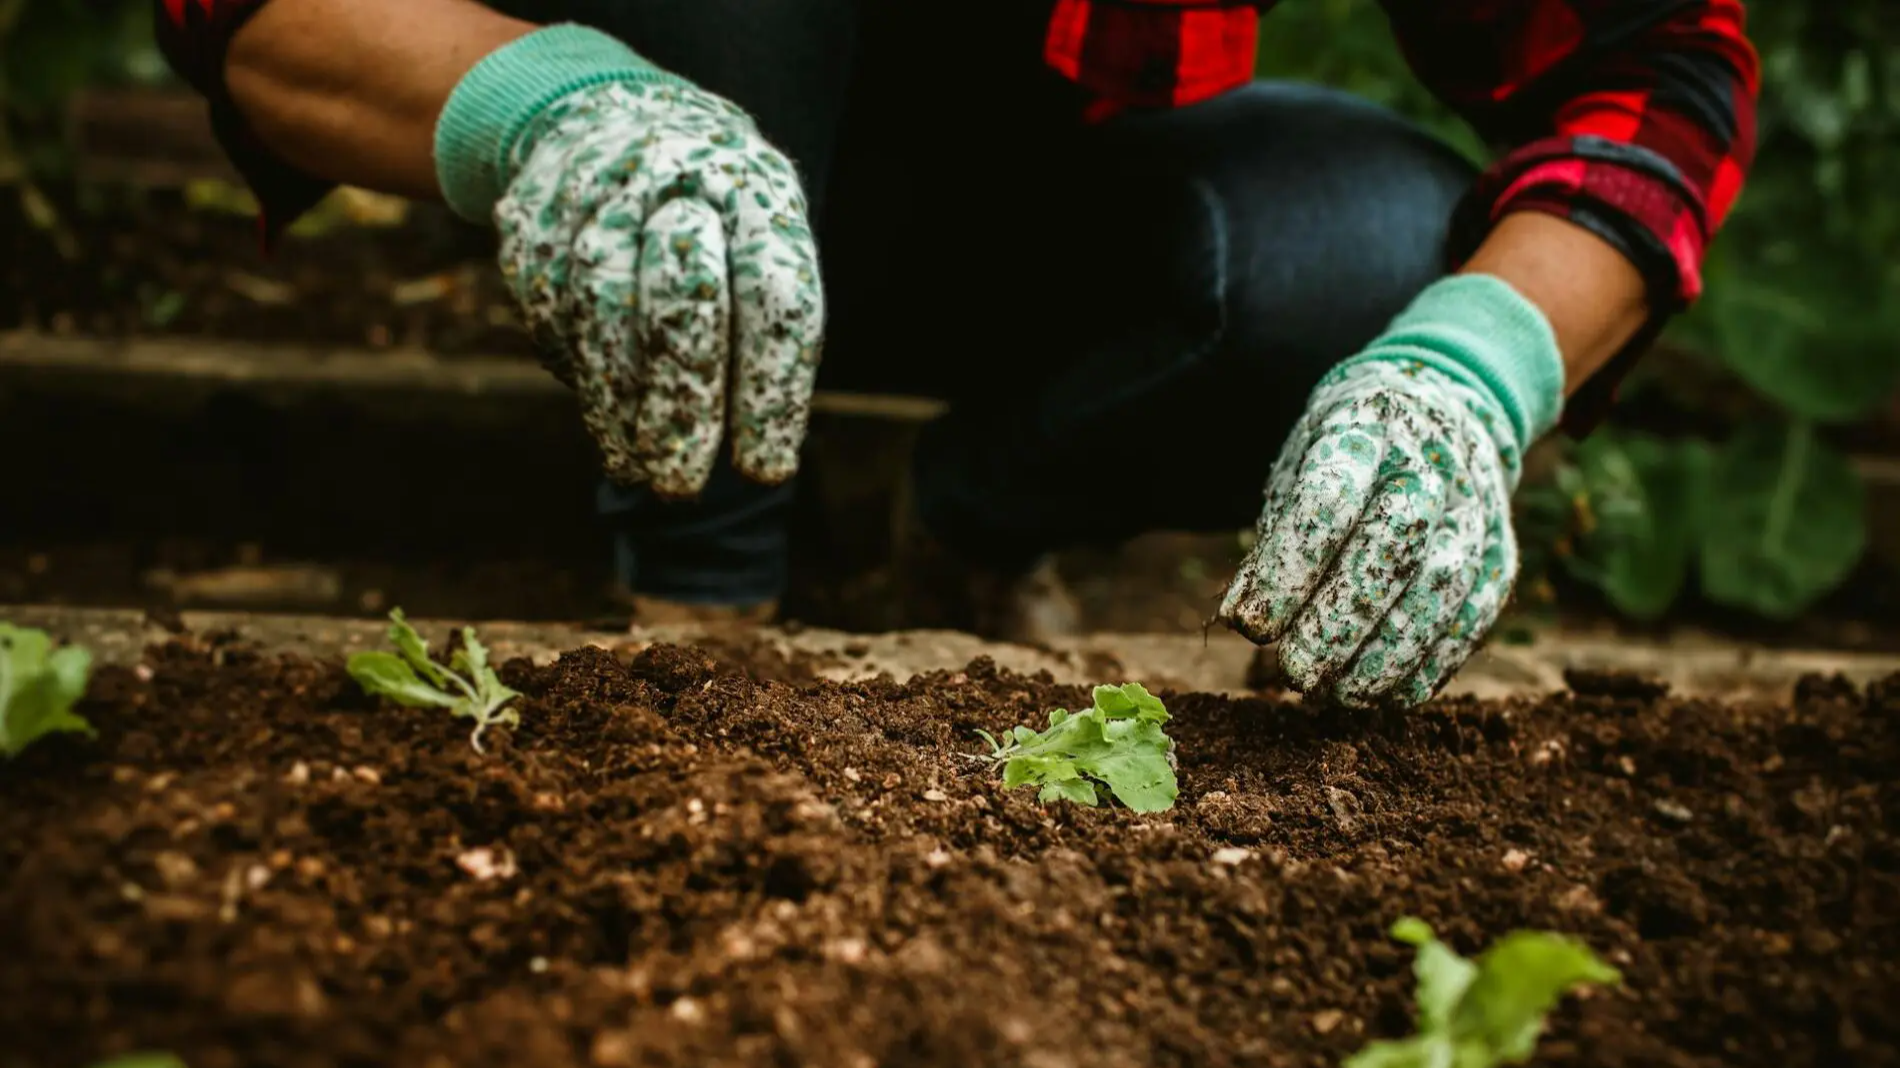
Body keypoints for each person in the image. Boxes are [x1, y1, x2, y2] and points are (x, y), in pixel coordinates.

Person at [155, 0, 1758, 707]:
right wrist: (552, 112)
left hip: (1018, 214)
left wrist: (1479, 367)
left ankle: (969, 518)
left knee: (1366, 245)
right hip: (646, 144)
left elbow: (1654, 59)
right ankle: (696, 595)